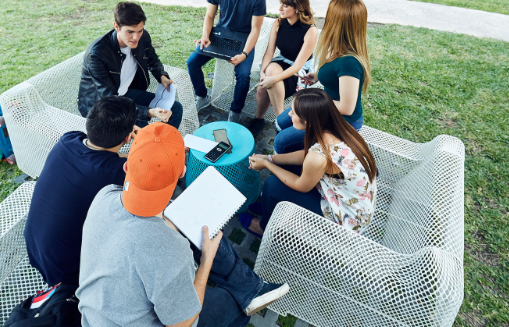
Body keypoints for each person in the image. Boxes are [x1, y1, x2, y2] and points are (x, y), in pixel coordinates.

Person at [77, 123, 290, 327]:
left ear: (126, 165)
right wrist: (206, 260)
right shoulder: (172, 250)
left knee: (192, 225)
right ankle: (245, 295)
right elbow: (182, 323)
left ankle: (252, 288)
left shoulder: (104, 196)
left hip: (95, 317)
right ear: (182, 172)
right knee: (233, 302)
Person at [24, 95, 138, 288]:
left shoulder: (68, 139)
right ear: (128, 137)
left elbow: (100, 156)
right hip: (68, 271)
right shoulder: (116, 173)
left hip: (34, 245)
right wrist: (138, 147)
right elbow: (120, 163)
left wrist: (124, 144)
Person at [240, 88, 378, 237]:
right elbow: (306, 155)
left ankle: (263, 228)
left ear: (309, 121)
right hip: (348, 197)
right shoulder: (336, 130)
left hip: (345, 220)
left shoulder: (319, 156)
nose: (289, 114)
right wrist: (269, 158)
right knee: (284, 167)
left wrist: (268, 165)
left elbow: (301, 185)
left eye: (293, 112)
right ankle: (270, 205)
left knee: (272, 185)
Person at [272, 0, 371, 155]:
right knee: (281, 122)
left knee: (281, 141)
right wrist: (315, 76)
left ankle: (301, 165)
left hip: (343, 122)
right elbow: (333, 71)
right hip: (327, 108)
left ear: (337, 23)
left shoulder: (349, 62)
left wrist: (309, 104)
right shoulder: (337, 47)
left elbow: (347, 107)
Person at [187, 0, 266, 123]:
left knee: (244, 76)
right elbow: (209, 16)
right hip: (220, 33)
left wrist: (244, 54)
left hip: (244, 39)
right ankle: (202, 96)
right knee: (192, 62)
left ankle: (235, 111)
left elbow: (255, 29)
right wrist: (206, 35)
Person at [78, 1, 183, 129]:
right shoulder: (97, 53)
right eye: (130, 32)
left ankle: (167, 146)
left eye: (140, 31)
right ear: (116, 26)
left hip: (127, 94)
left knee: (176, 109)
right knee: (143, 129)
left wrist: (162, 77)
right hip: (102, 105)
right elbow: (109, 98)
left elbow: (152, 59)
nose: (136, 37)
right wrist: (148, 112)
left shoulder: (143, 37)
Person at [247, 0, 318, 136]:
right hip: (283, 61)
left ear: (298, 7)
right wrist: (263, 72)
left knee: (265, 85)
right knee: (265, 81)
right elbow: (269, 52)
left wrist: (271, 79)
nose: (280, 8)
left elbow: (298, 65)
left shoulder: (310, 30)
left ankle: (280, 122)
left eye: (285, 6)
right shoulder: (278, 23)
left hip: (300, 71)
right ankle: (262, 119)